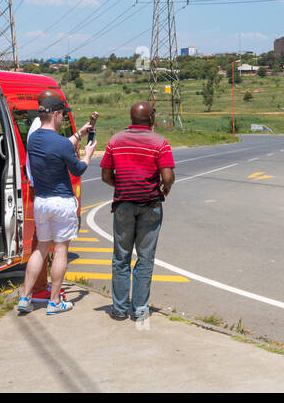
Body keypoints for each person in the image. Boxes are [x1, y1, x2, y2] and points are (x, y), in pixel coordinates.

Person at [17, 90, 95, 315]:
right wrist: (88, 154)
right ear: (56, 115)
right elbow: (78, 168)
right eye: (62, 115)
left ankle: (25, 297)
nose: (63, 119)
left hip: (41, 201)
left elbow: (57, 148)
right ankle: (54, 301)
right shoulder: (61, 143)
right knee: (60, 250)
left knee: (41, 249)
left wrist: (78, 134)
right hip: (61, 202)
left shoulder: (33, 139)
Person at [101, 100, 175, 322]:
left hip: (123, 205)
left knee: (120, 258)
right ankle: (141, 309)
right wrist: (165, 187)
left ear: (131, 118)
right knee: (145, 258)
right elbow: (168, 176)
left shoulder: (115, 140)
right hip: (151, 206)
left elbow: (105, 175)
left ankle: (120, 309)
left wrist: (123, 186)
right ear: (151, 118)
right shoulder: (160, 143)